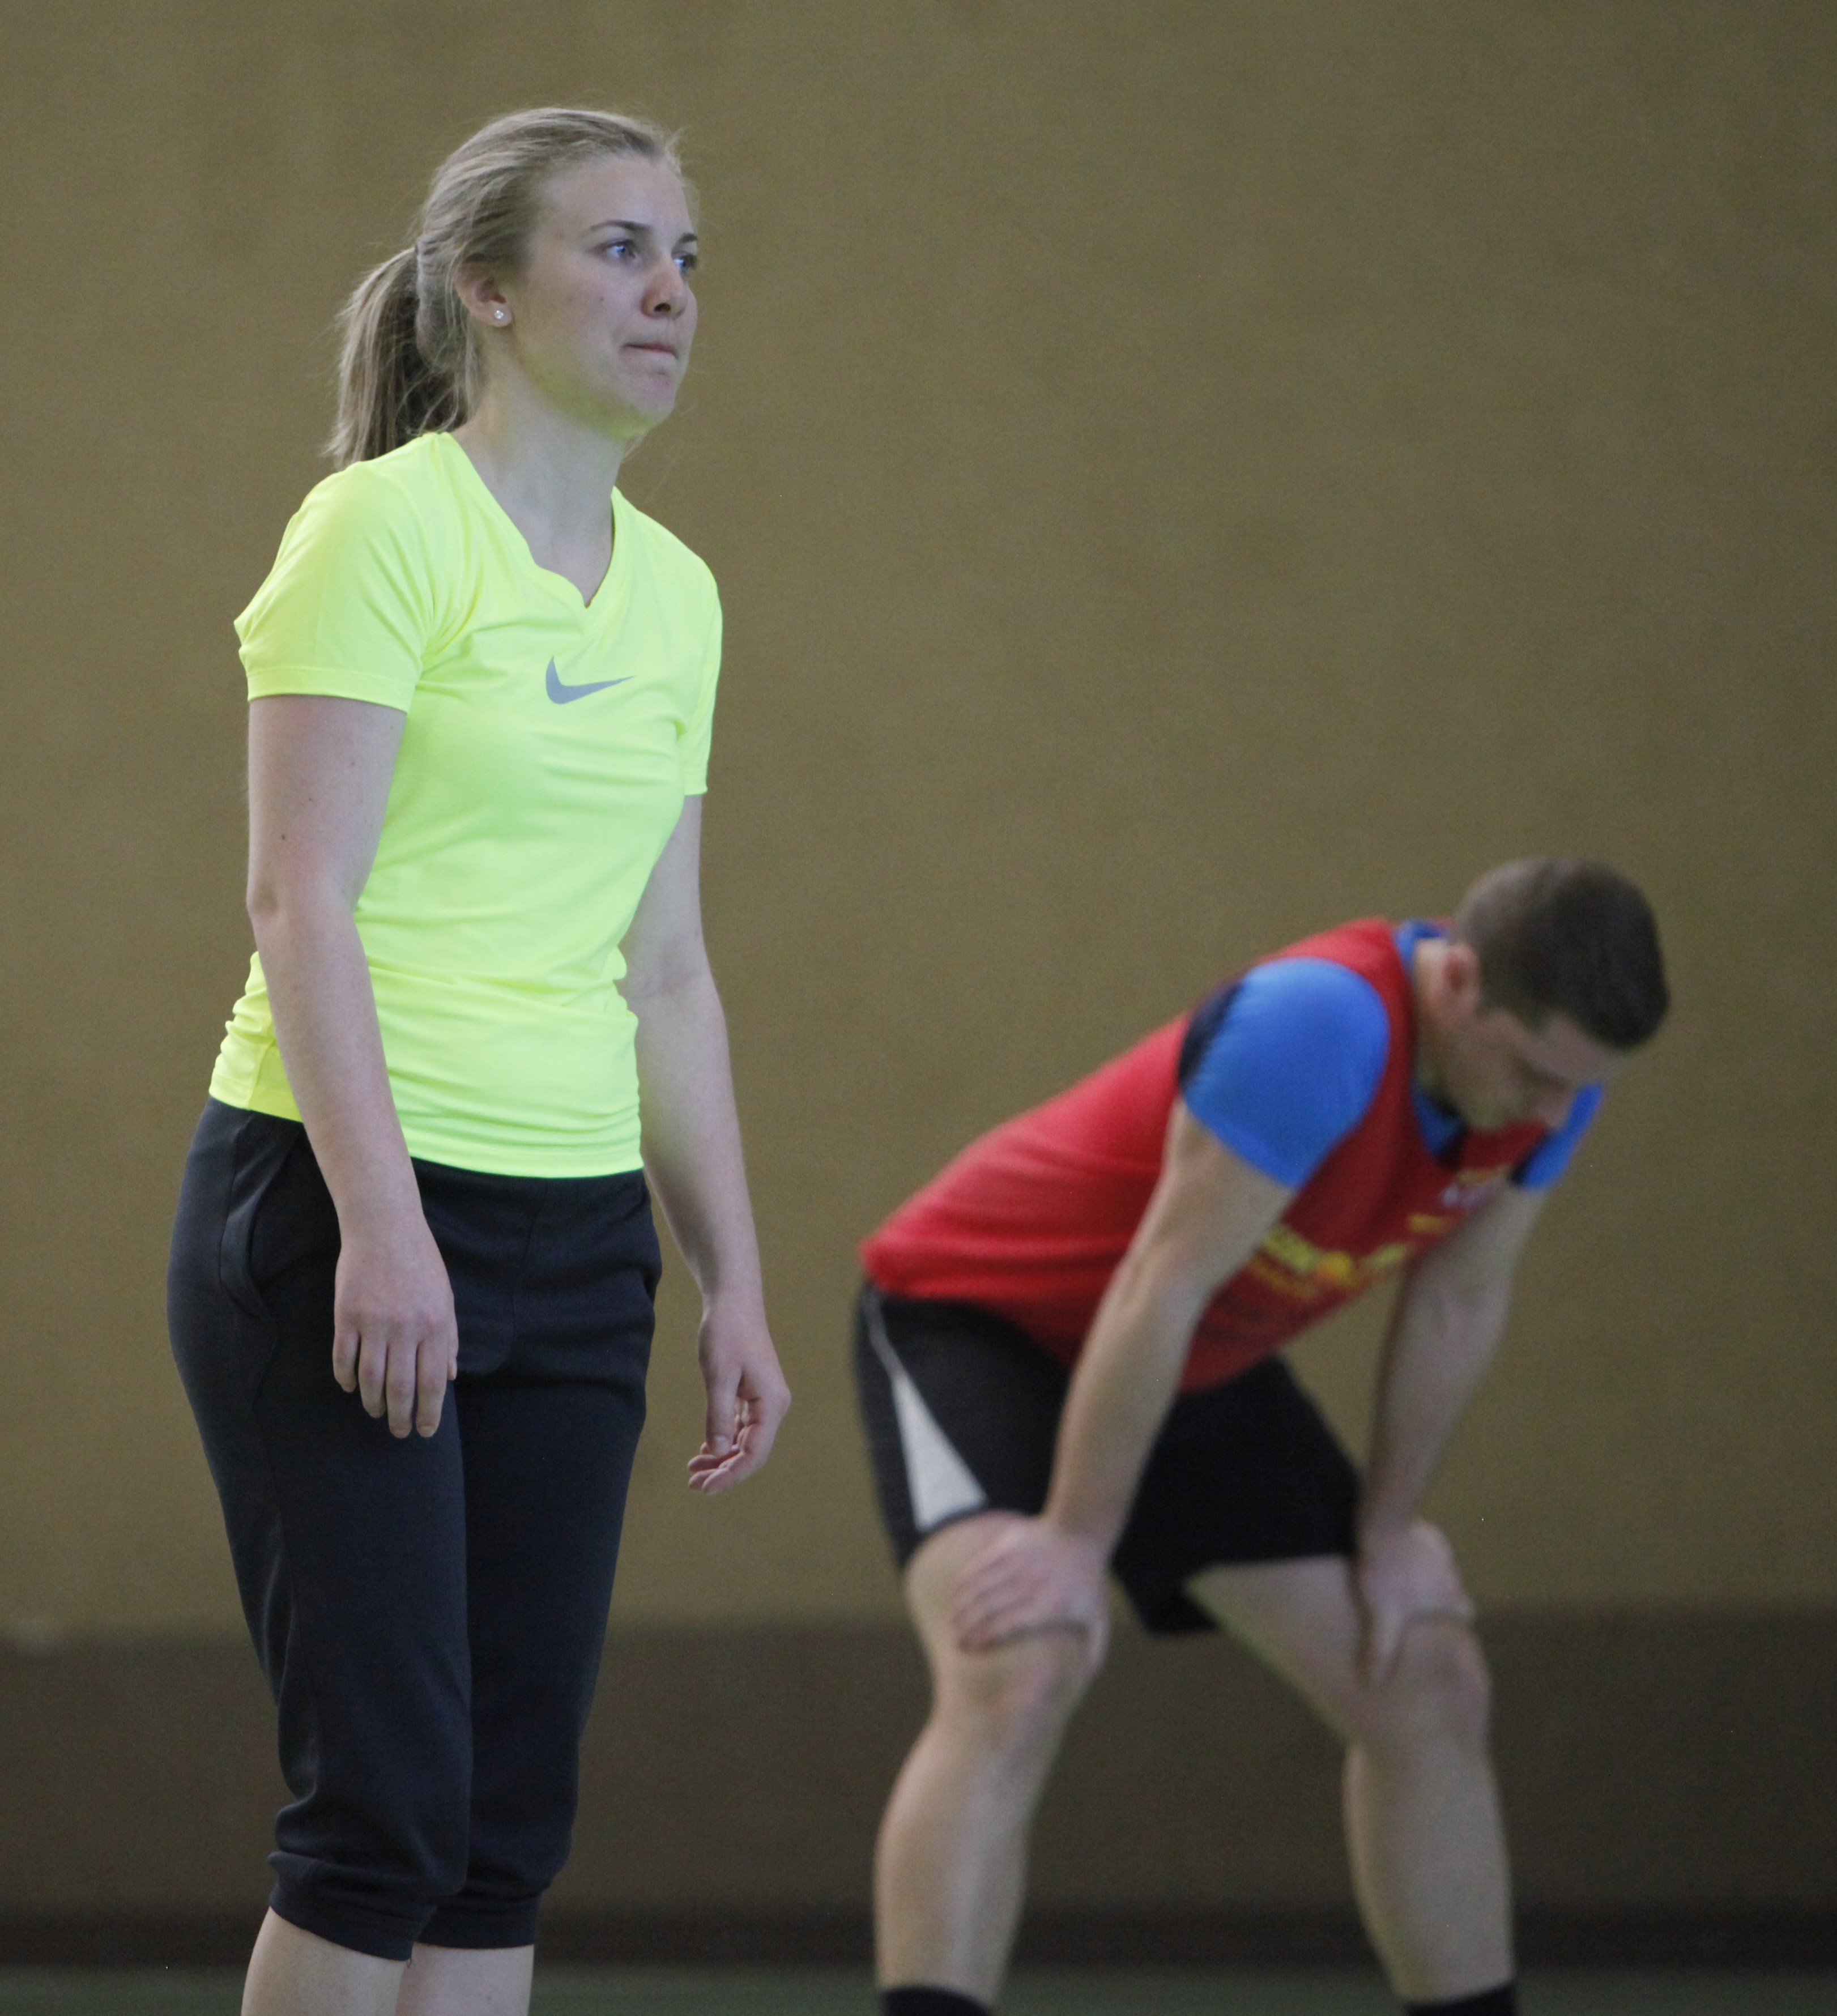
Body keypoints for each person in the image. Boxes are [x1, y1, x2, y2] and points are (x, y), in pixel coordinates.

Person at [167, 108, 790, 2016]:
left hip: (576, 1243)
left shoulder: (677, 594)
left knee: (503, 1829)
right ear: (486, 291)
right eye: (618, 248)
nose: (668, 291)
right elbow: (299, 896)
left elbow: (666, 971)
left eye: (686, 255)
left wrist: (732, 1279)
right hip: (343, 1205)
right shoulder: (383, 528)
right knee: (382, 1818)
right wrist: (382, 1228)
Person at [855, 859, 1668, 2016]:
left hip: (1188, 1360)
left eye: (1577, 1088)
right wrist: (1076, 1538)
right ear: (1457, 979)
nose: (1550, 1113)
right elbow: (1161, 1281)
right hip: (985, 1322)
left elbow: (1455, 1301)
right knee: (1021, 1662)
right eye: (1533, 1074)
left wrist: (1389, 1529)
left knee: (1424, 1677)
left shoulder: (1552, 1087)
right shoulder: (1320, 1024)